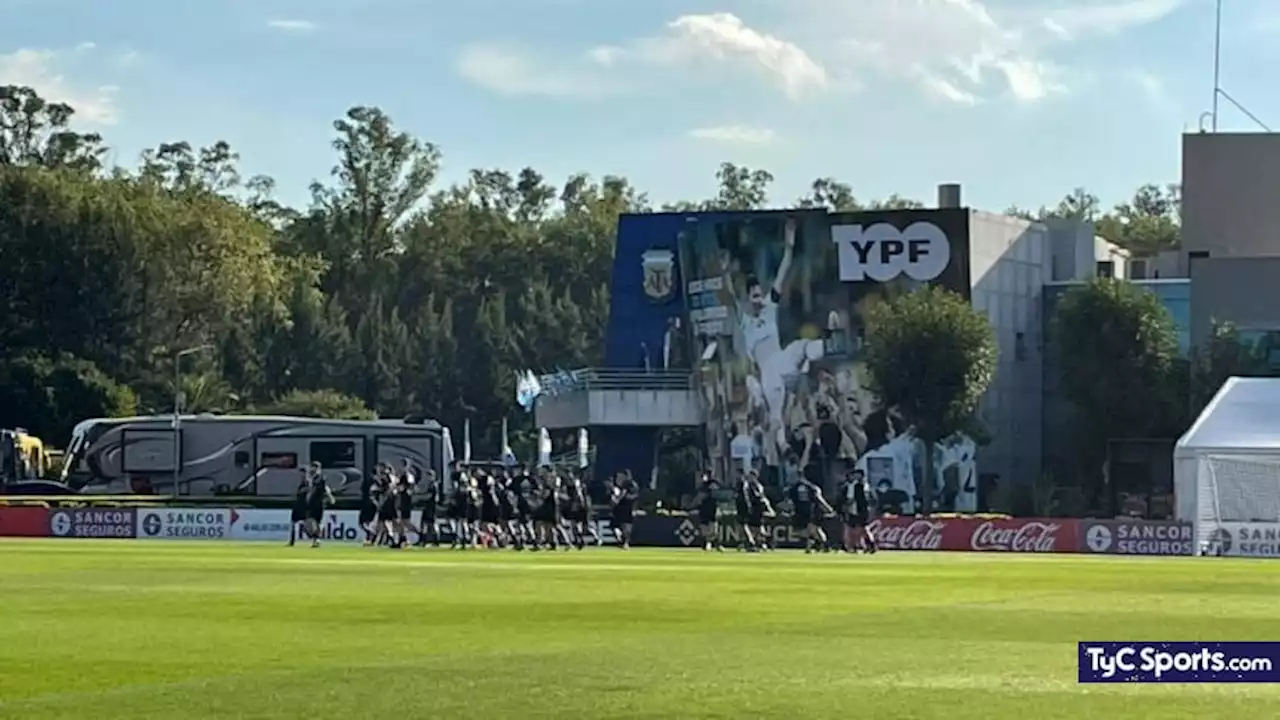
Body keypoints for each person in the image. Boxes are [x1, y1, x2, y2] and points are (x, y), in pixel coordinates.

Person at [739, 218, 824, 460]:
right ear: (746, 298)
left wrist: (789, 247)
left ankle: (827, 346)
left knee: (801, 346)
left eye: (758, 294)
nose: (757, 299)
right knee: (776, 416)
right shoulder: (743, 321)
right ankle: (784, 449)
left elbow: (782, 274)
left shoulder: (769, 306)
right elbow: (727, 296)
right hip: (768, 373)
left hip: (782, 360)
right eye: (753, 296)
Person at [787, 475, 833, 554]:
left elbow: (819, 499)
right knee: (810, 531)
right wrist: (828, 508)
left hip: (810, 511)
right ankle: (821, 543)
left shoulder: (808, 488)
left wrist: (827, 508)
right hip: (804, 511)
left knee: (811, 530)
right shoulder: (798, 488)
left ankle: (813, 546)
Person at [842, 469, 877, 554]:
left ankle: (853, 546)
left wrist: (846, 507)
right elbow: (873, 499)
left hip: (856, 509)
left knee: (853, 529)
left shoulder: (854, 485)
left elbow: (850, 499)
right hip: (864, 510)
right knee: (863, 529)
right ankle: (870, 545)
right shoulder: (867, 485)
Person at [305, 462, 335, 548]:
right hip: (311, 503)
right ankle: (316, 538)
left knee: (316, 522)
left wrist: (330, 497)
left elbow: (325, 488)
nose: (312, 469)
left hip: (318, 503)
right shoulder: (310, 477)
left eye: (314, 467)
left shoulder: (320, 478)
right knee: (310, 522)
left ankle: (316, 539)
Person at [692, 471, 722, 552]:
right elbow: (699, 498)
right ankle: (707, 543)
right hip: (704, 510)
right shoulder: (702, 486)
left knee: (714, 530)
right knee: (704, 529)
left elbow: (717, 495)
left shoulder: (714, 484)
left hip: (712, 509)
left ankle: (713, 544)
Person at [611, 470, 638, 549]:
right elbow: (636, 497)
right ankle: (626, 543)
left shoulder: (626, 484)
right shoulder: (635, 485)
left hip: (623, 507)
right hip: (631, 507)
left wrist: (616, 500)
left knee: (618, 525)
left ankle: (622, 540)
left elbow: (623, 493)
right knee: (628, 526)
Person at [416, 469, 441, 547]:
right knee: (426, 524)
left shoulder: (433, 485)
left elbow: (429, 496)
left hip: (431, 507)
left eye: (428, 476)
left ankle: (434, 540)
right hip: (428, 506)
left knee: (431, 524)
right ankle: (425, 541)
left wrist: (419, 497)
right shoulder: (431, 484)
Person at [289, 468, 310, 547]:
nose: (301, 475)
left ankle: (314, 538)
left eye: (302, 473)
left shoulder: (308, 482)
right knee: (293, 523)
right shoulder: (302, 482)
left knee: (307, 523)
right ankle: (292, 540)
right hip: (298, 505)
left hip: (304, 506)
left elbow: (308, 491)